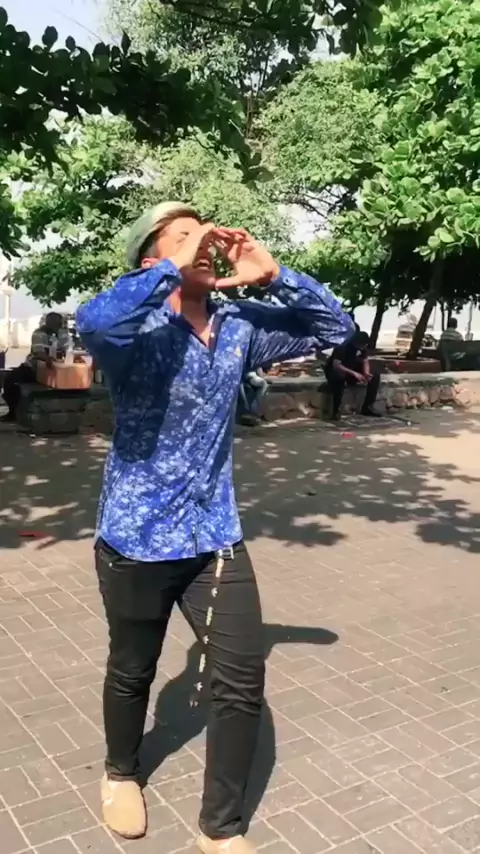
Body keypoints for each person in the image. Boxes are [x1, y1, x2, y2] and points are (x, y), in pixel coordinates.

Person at [76, 201, 354, 852]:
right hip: (138, 538)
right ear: (152, 260)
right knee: (133, 668)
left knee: (241, 678)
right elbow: (95, 319)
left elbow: (334, 328)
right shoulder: (132, 333)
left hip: (214, 536)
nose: (201, 241)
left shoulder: (238, 325)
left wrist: (272, 274)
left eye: (204, 233)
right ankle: (120, 773)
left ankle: (220, 830)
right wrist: (174, 265)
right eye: (181, 235)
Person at [1, 312, 69, 422]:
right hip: (33, 367)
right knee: (9, 380)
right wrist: (49, 359)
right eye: (52, 322)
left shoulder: (63, 334)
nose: (55, 325)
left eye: (57, 323)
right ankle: (12, 412)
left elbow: (67, 350)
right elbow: (38, 352)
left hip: (57, 368)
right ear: (47, 322)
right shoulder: (39, 334)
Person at [324, 329, 380, 420]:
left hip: (351, 368)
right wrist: (354, 374)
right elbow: (336, 365)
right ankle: (335, 411)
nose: (362, 347)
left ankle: (368, 407)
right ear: (355, 342)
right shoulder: (342, 346)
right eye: (361, 345)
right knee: (339, 378)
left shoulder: (362, 347)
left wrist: (366, 372)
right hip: (337, 370)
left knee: (375, 376)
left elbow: (365, 360)